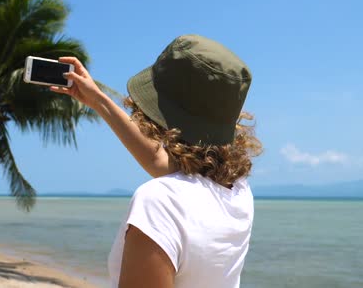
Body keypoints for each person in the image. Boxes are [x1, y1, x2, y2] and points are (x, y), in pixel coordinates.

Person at [50, 34, 262, 288]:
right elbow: (158, 161)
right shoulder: (238, 190)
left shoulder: (159, 202)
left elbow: (164, 172)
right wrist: (98, 100)